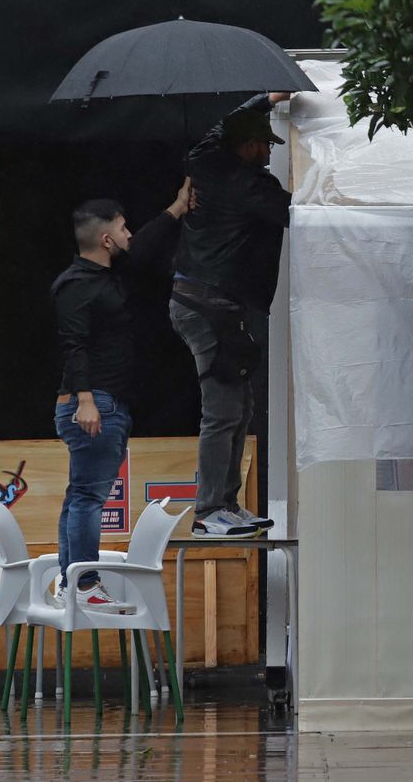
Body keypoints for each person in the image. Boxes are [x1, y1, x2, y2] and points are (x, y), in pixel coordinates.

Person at [52, 184, 192, 612]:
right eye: (123, 227)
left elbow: (146, 244)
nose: (130, 233)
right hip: (94, 405)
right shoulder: (75, 284)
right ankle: (84, 583)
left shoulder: (109, 277)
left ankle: (69, 579)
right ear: (106, 239)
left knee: (79, 496)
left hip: (107, 403)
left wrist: (177, 208)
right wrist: (86, 400)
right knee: (89, 498)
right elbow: (72, 343)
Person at [171, 92, 292, 539]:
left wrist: (264, 100)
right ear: (247, 147)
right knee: (223, 411)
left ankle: (226, 504)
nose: (269, 153)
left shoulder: (204, 160)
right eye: (265, 145)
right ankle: (208, 512)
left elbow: (218, 127)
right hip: (208, 307)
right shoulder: (248, 185)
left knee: (240, 407)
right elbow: (298, 213)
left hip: (201, 302)